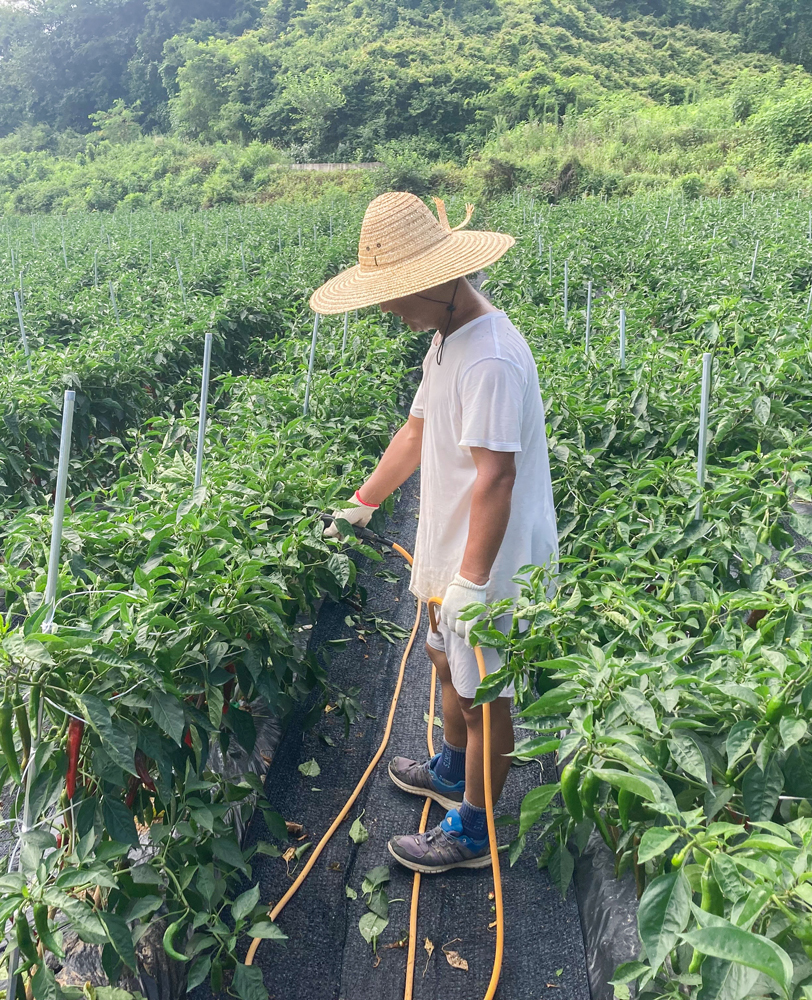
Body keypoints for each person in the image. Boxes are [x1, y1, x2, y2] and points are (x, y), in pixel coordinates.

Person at [310, 191, 557, 873]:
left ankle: (474, 833)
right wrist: (363, 501)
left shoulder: (491, 359)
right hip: (457, 535)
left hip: (495, 554)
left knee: (486, 695)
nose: (390, 310)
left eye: (397, 295)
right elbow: (417, 430)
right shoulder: (449, 340)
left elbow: (497, 480)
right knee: (442, 658)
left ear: (442, 283)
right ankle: (452, 769)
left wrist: (474, 583)